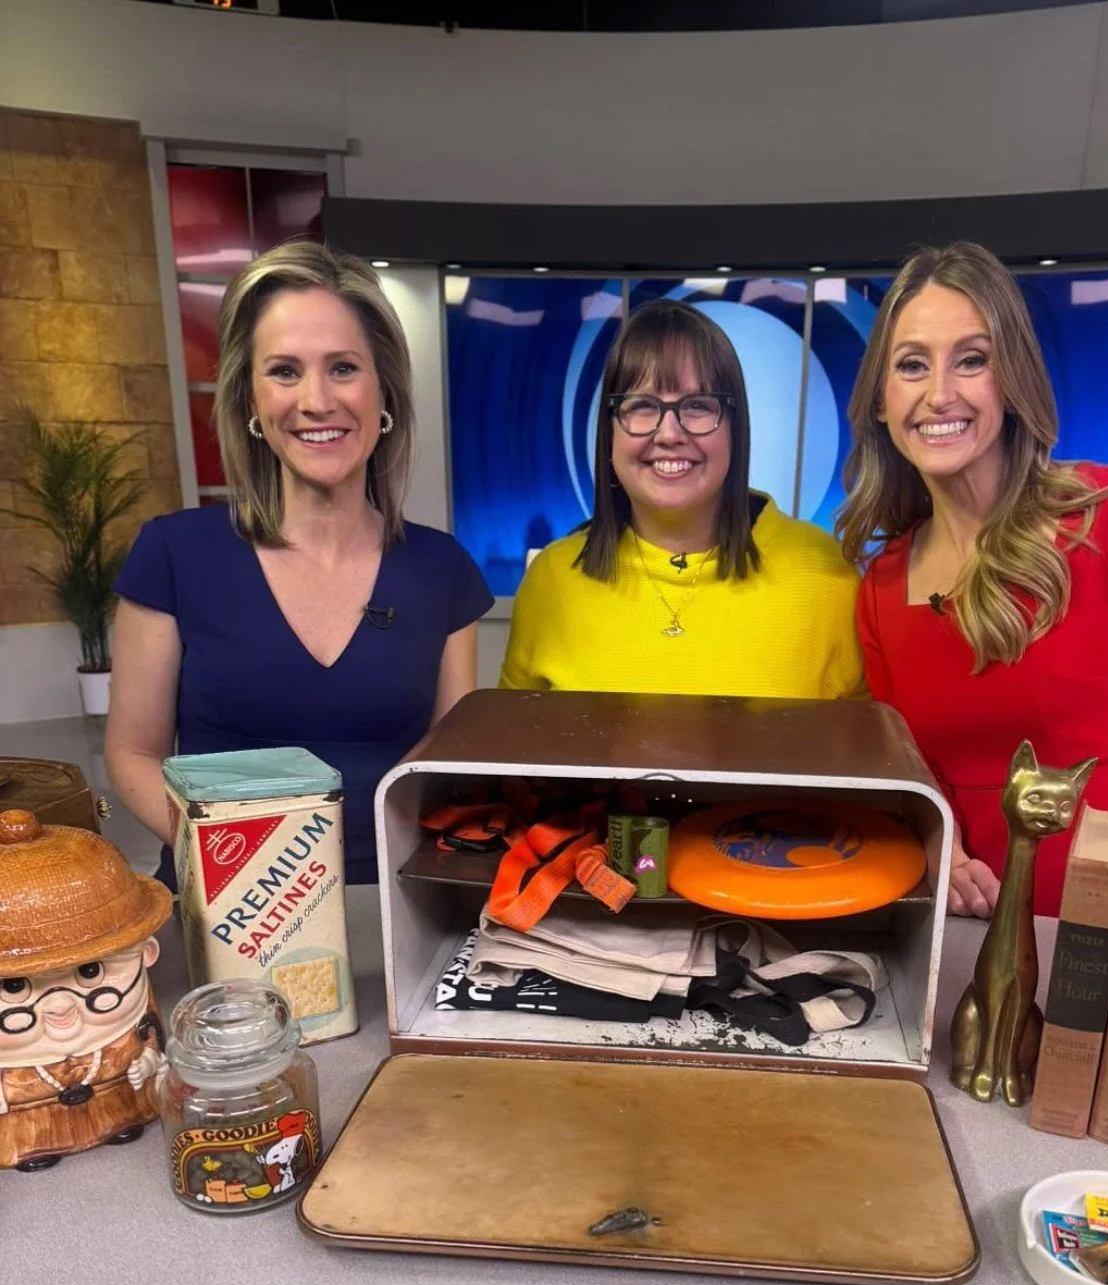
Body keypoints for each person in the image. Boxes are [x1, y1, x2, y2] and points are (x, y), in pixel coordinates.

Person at [839, 241, 1108, 919]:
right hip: (971, 928)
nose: (940, 393)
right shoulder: (881, 588)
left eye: (972, 360)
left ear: (1013, 379)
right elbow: (916, 776)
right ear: (881, 400)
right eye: (911, 365)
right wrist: (944, 854)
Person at [107, 242, 492, 886]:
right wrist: (247, 874)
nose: (316, 400)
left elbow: (443, 773)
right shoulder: (172, 555)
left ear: (384, 390)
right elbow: (132, 753)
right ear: (250, 400)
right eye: (284, 371)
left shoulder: (444, 571)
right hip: (224, 898)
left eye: (343, 367)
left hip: (391, 900)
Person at [499, 299, 865, 700]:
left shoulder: (826, 576)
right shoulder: (552, 582)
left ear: (735, 427)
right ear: (609, 432)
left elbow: (863, 737)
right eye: (642, 406)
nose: (670, 434)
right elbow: (516, 734)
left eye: (697, 406)